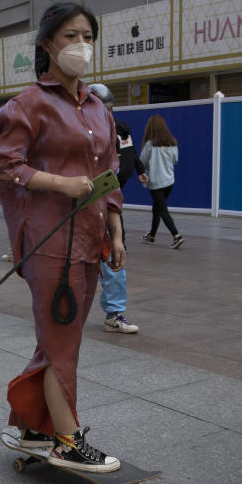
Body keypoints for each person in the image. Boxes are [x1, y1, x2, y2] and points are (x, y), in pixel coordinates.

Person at [0, 1, 123, 472]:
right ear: (47, 44)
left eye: (88, 35)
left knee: (56, 340)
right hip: (48, 242)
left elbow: (110, 171)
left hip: (89, 239)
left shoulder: (97, 109)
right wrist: (60, 183)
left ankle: (29, 423)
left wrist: (117, 231)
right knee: (62, 341)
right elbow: (3, 164)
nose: (81, 45)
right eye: (70, 36)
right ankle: (67, 438)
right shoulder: (28, 104)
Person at [88, 83, 145, 334]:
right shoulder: (73, 135)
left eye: (108, 110)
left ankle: (114, 313)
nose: (106, 116)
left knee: (114, 259)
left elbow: (113, 186)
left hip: (106, 207)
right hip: (72, 212)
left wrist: (118, 236)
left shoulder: (117, 133)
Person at [140, 114, 184, 249]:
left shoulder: (149, 145)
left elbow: (141, 162)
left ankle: (176, 236)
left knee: (162, 210)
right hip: (169, 182)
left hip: (156, 183)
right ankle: (151, 236)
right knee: (157, 208)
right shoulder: (173, 143)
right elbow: (175, 160)